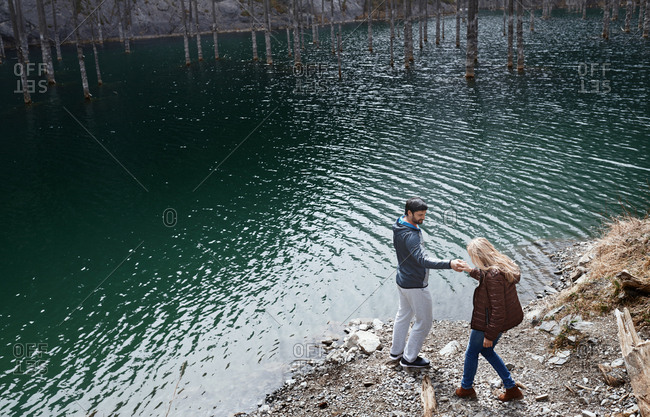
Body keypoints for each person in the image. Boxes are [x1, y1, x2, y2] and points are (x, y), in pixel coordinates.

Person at [389, 197, 468, 369]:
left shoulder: (399, 223)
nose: (423, 218)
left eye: (424, 214)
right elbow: (423, 260)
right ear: (409, 213)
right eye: (419, 215)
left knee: (403, 314)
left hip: (402, 279)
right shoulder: (411, 236)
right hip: (415, 284)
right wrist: (450, 263)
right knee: (424, 322)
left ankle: (396, 352)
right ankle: (409, 359)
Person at [455, 237, 524, 401]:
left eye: (473, 257)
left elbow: (498, 310)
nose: (472, 259)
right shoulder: (499, 267)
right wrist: (469, 270)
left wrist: (489, 335)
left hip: (487, 322)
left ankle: (466, 388)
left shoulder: (493, 276)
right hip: (497, 321)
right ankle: (511, 387)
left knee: (472, 352)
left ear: (479, 256)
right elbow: (486, 278)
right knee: (486, 351)